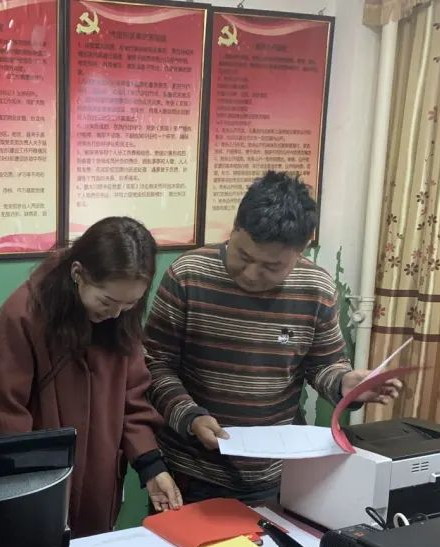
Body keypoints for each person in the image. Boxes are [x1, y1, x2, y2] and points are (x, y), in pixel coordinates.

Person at [144, 171, 401, 504]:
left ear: (300, 250)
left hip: (276, 472)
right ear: (234, 229)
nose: (252, 274)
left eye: (271, 266)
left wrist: (343, 383)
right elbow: (155, 365)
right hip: (191, 470)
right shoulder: (189, 275)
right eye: (243, 256)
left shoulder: (315, 288)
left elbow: (323, 364)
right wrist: (190, 416)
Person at [0, 216, 182, 538]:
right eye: (107, 301)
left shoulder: (121, 318)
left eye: (130, 304)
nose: (115, 313)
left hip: (98, 488)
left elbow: (133, 400)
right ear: (78, 274)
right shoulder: (23, 315)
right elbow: (8, 413)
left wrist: (151, 466)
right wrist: (23, 489)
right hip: (38, 486)